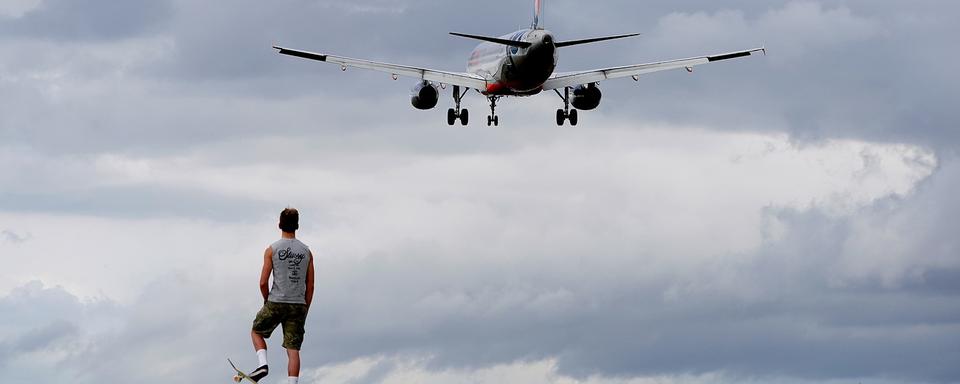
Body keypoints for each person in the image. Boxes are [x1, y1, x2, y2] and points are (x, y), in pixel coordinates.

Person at [245, 208, 315, 384]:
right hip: (298, 304)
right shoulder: (307, 252)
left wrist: (267, 300)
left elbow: (262, 282)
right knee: (293, 350)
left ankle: (263, 365)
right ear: (297, 225)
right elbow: (311, 285)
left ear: (279, 224)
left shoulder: (272, 250)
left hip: (276, 300)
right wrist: (305, 307)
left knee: (256, 331)